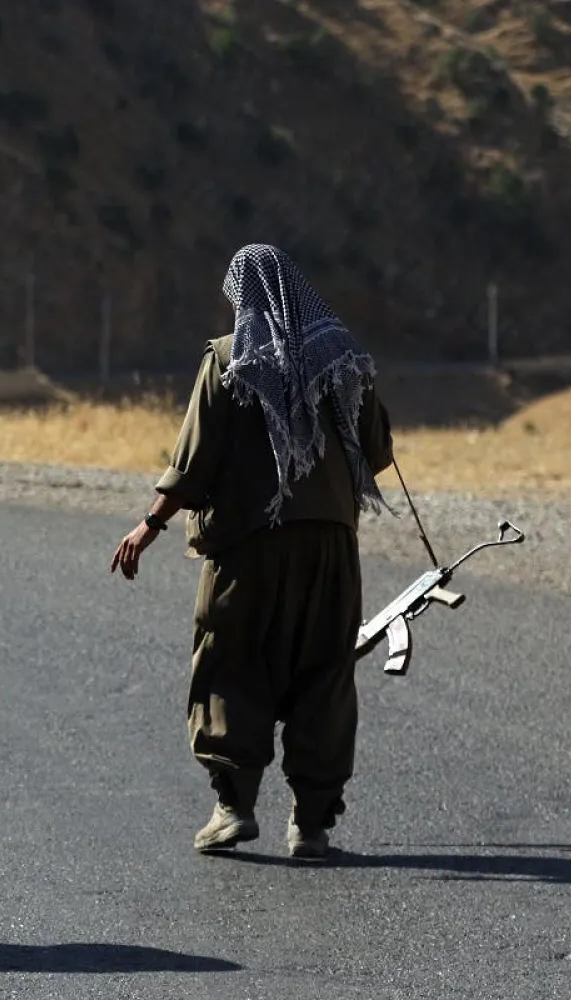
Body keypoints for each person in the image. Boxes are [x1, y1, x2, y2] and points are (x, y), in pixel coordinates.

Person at [109, 244, 394, 861]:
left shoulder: (227, 359)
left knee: (231, 664)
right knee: (324, 673)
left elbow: (193, 465)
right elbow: (377, 454)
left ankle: (233, 809)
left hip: (247, 548)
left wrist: (148, 526)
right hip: (330, 550)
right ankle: (311, 826)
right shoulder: (344, 358)